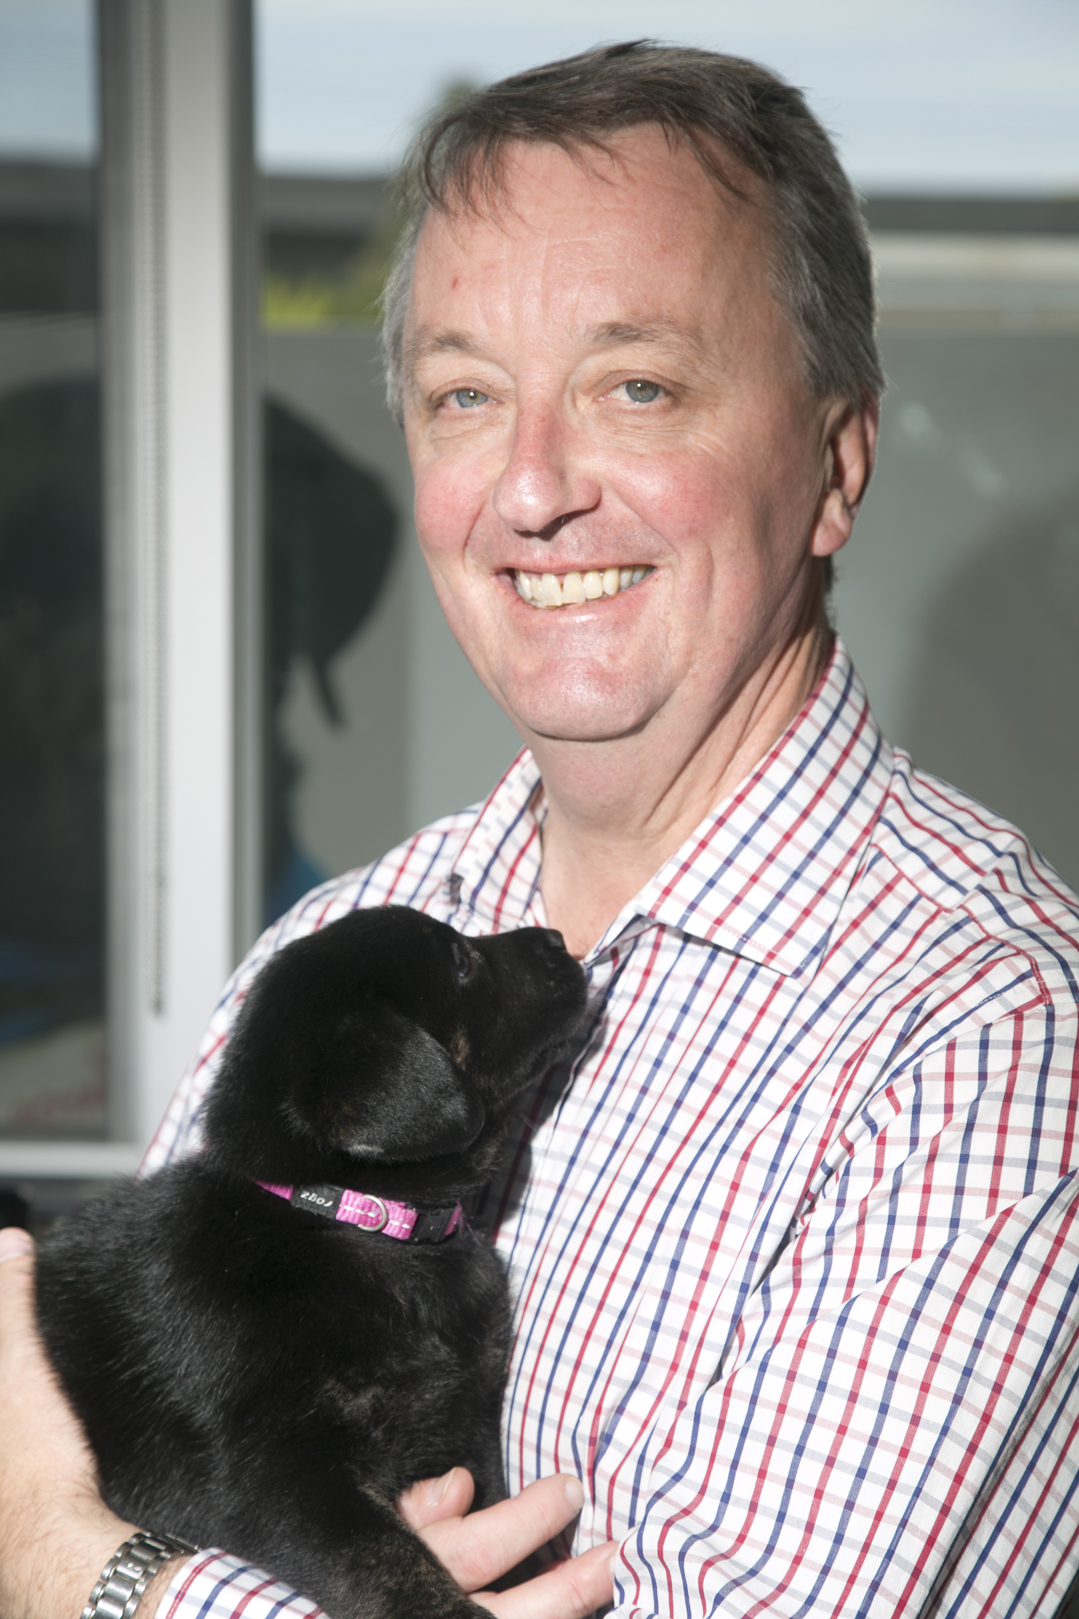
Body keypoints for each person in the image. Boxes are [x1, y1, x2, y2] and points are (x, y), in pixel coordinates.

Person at [2, 39, 1079, 1619]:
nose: (530, 489)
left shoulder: (992, 1042)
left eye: (634, 385)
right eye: (464, 396)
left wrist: (84, 1571)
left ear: (836, 465)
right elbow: (126, 1426)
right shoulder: (334, 947)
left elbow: (66, 1505)